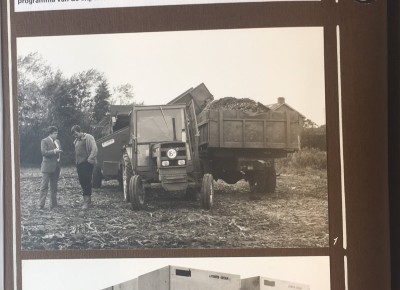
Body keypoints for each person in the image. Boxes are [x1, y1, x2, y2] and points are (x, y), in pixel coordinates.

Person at [71, 125, 98, 210]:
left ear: (79, 131)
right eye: (74, 135)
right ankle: (85, 200)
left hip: (87, 163)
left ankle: (87, 202)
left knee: (87, 181)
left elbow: (95, 149)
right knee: (82, 181)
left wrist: (90, 158)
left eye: (76, 134)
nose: (75, 136)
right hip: (79, 164)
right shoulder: (77, 140)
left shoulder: (88, 137)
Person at [39, 126, 62, 210]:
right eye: (55, 133)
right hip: (47, 167)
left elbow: (60, 151)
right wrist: (54, 151)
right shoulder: (44, 141)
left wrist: (59, 157)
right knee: (44, 186)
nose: (56, 135)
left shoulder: (58, 141)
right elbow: (44, 153)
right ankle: (41, 205)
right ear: (50, 133)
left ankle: (53, 204)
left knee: (54, 186)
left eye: (57, 133)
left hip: (56, 166)